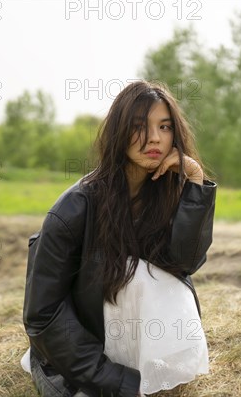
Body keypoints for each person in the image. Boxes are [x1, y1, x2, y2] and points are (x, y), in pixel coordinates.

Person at [21, 80, 217, 397]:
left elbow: (184, 264)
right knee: (133, 276)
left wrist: (194, 183)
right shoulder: (73, 208)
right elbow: (42, 315)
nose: (154, 138)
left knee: (159, 276)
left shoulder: (164, 192)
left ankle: (155, 375)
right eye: (140, 126)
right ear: (119, 132)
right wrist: (117, 381)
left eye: (164, 127)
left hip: (124, 345)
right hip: (79, 354)